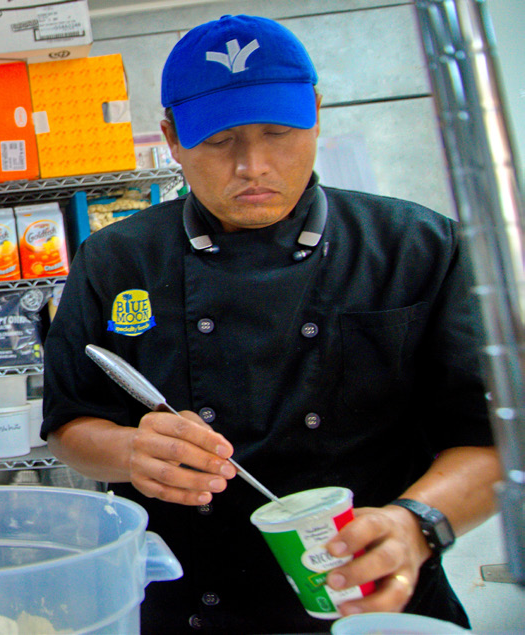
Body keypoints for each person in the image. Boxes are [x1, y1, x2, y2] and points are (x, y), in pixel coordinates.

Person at [42, 14, 501, 634]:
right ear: (172, 138)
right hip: (186, 599)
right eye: (219, 140)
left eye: (278, 132)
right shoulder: (116, 258)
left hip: (383, 600)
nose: (253, 165)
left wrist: (417, 523)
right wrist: (129, 451)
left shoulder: (418, 247)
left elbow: (489, 439)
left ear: (316, 111)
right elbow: (70, 424)